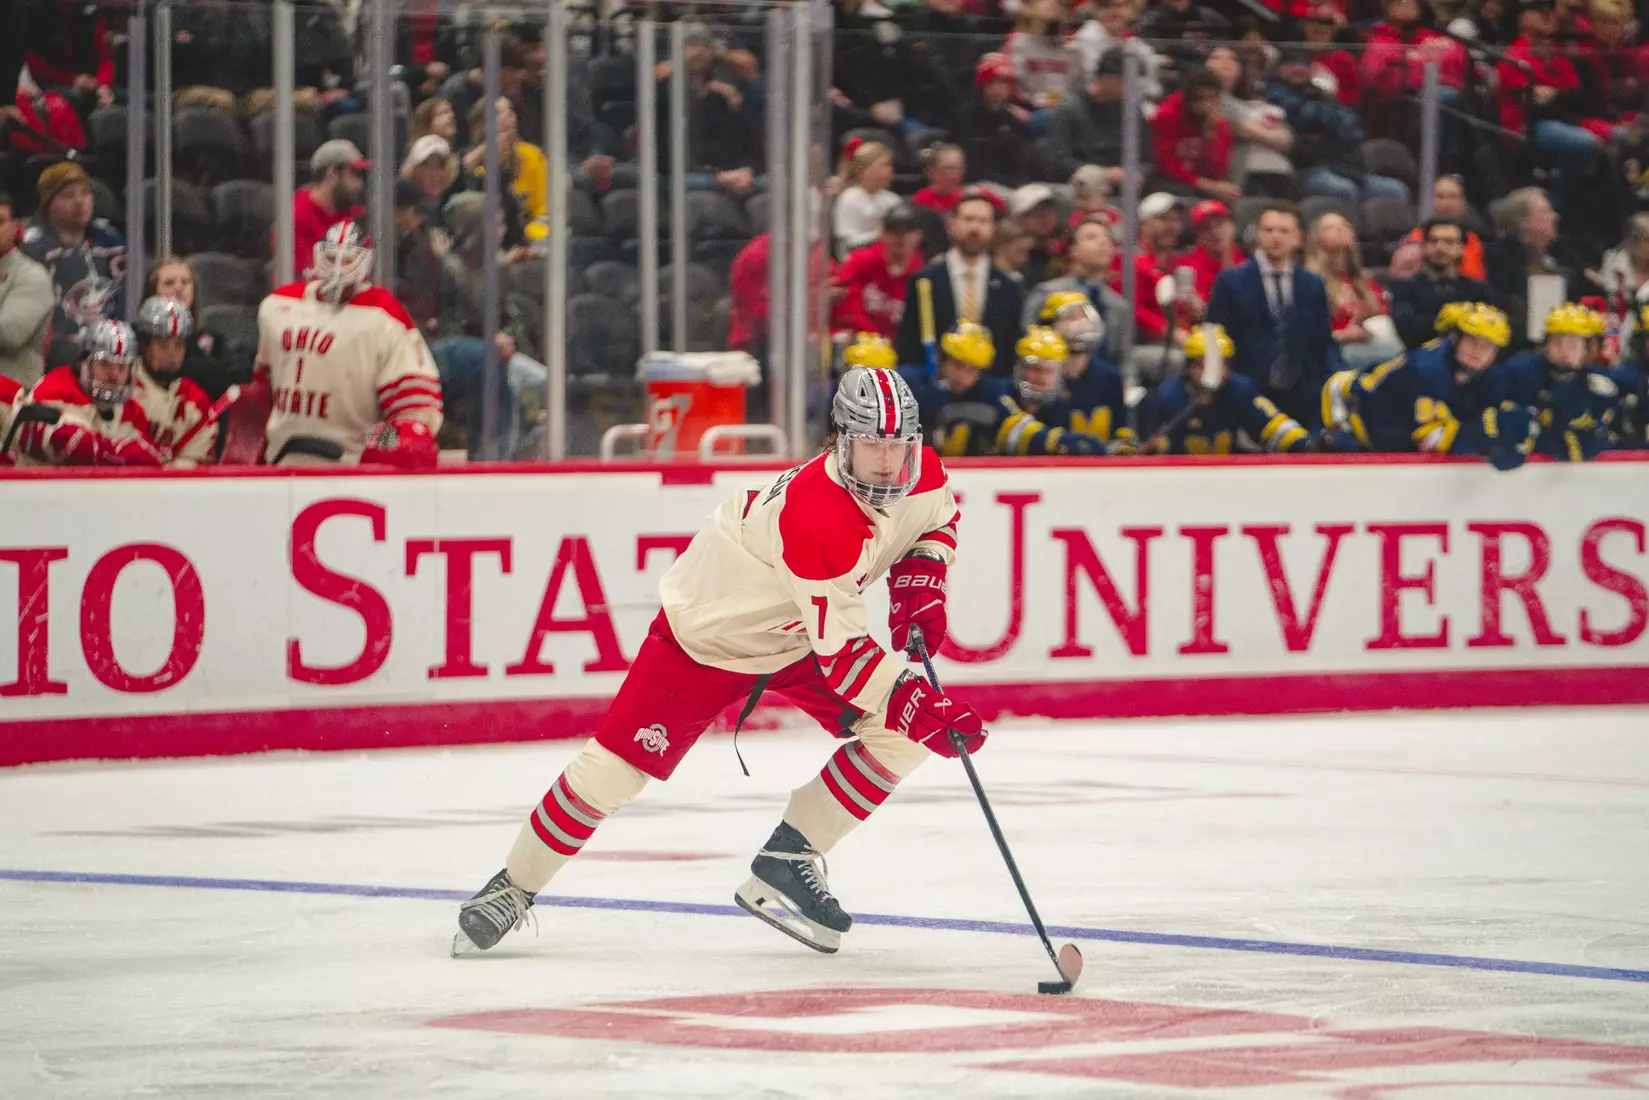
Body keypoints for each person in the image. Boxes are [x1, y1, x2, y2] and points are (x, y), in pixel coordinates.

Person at [453, 366, 984, 957]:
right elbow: (847, 660)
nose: (889, 464)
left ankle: (790, 855)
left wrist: (924, 571)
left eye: (898, 447)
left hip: (798, 637)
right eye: (872, 447)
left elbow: (939, 519)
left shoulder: (925, 472)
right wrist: (914, 701)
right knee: (611, 774)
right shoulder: (817, 515)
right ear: (840, 442)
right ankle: (514, 886)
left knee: (899, 736)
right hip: (708, 640)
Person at [256, 221, 444, 467]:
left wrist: (370, 444)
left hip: (350, 470)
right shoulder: (277, 307)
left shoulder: (385, 317)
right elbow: (262, 393)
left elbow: (415, 417)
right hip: (280, 464)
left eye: (348, 259)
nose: (338, 268)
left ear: (365, 261)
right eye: (332, 257)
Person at [1321, 302, 1537, 468]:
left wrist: (1515, 437)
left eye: (1488, 347)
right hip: (1355, 413)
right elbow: (1429, 439)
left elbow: (1510, 417)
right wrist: (1487, 440)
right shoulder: (1427, 370)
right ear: (1456, 339)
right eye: (1472, 341)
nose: (1478, 352)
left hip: (1399, 426)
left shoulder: (1494, 375)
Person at [1207, 202, 1343, 427]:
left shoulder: (1312, 284)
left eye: (1284, 231)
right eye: (1268, 230)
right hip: (1248, 388)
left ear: (1298, 237)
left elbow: (1322, 340)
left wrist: (1338, 379)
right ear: (1258, 234)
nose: (1275, 237)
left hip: (1302, 390)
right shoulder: (1231, 282)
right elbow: (1215, 334)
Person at [898, 320, 1100, 456]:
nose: (962, 376)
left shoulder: (993, 396)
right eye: (957, 365)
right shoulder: (925, 398)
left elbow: (1023, 431)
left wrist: (1065, 442)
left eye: (971, 370)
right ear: (943, 361)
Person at [894, 190, 1024, 376]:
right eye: (969, 219)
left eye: (983, 221)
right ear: (951, 224)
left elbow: (1009, 348)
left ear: (993, 228)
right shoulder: (925, 281)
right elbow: (908, 343)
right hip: (935, 384)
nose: (975, 227)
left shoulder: (1009, 287)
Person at [8, 319, 171, 467]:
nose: (114, 376)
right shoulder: (56, 388)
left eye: (122, 367)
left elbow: (159, 456)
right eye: (104, 364)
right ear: (84, 365)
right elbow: (67, 444)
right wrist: (120, 451)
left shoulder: (132, 413)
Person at [1138, 324, 1313, 454]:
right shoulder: (1163, 397)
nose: (1214, 374)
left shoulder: (1240, 390)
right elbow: (1133, 442)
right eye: (1202, 366)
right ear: (1188, 368)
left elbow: (1274, 427)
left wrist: (1307, 444)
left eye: (1221, 365)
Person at [23, 160, 124, 371]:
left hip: (108, 353)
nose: (80, 202)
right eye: (68, 195)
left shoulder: (110, 241)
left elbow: (124, 301)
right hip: (55, 357)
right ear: (48, 204)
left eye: (86, 193)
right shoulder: (32, 248)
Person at [1502, 303, 1620, 460]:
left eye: (1573, 344)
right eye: (1557, 342)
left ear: (1586, 350)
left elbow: (1601, 440)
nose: (1564, 351)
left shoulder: (1601, 385)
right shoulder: (1522, 372)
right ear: (1546, 346)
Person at [1305, 212, 1405, 370]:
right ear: (1316, 238)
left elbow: (1385, 316)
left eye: (1345, 226)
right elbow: (1305, 334)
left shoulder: (1364, 282)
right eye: (1330, 227)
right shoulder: (1310, 283)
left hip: (1373, 354)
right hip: (1333, 355)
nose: (1340, 229)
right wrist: (1342, 335)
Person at [129, 296, 218, 466]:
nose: (171, 354)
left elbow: (198, 468)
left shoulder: (197, 402)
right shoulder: (122, 388)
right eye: (163, 345)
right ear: (144, 345)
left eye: (178, 345)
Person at [1388, 217, 1497, 349]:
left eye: (1449, 242)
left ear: (1461, 248)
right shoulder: (1404, 287)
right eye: (1433, 241)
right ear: (1424, 246)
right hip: (1421, 359)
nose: (1440, 247)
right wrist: (1457, 320)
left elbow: (1491, 328)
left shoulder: (1479, 289)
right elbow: (1408, 329)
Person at [143, 255, 241, 400]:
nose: (179, 287)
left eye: (185, 282)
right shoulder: (139, 339)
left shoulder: (214, 342)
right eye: (169, 283)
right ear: (152, 292)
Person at [833, 203, 926, 341]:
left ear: (918, 235)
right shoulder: (859, 261)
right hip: (860, 345)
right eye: (894, 231)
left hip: (903, 349)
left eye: (907, 232)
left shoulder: (924, 273)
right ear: (882, 233)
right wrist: (875, 338)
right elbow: (848, 308)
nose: (900, 238)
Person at [291, 140, 368, 282]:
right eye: (354, 173)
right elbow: (300, 280)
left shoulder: (357, 216)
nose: (360, 184)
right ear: (332, 172)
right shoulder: (295, 217)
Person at [0, 190, 53, 389]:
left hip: (14, 400)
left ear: (15, 227)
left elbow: (9, 333)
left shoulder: (32, 276)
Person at [833, 139, 901, 256]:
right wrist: (879, 236)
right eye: (884, 165)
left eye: (890, 165)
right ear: (865, 170)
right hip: (857, 259)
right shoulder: (849, 198)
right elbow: (845, 242)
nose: (890, 170)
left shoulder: (892, 199)